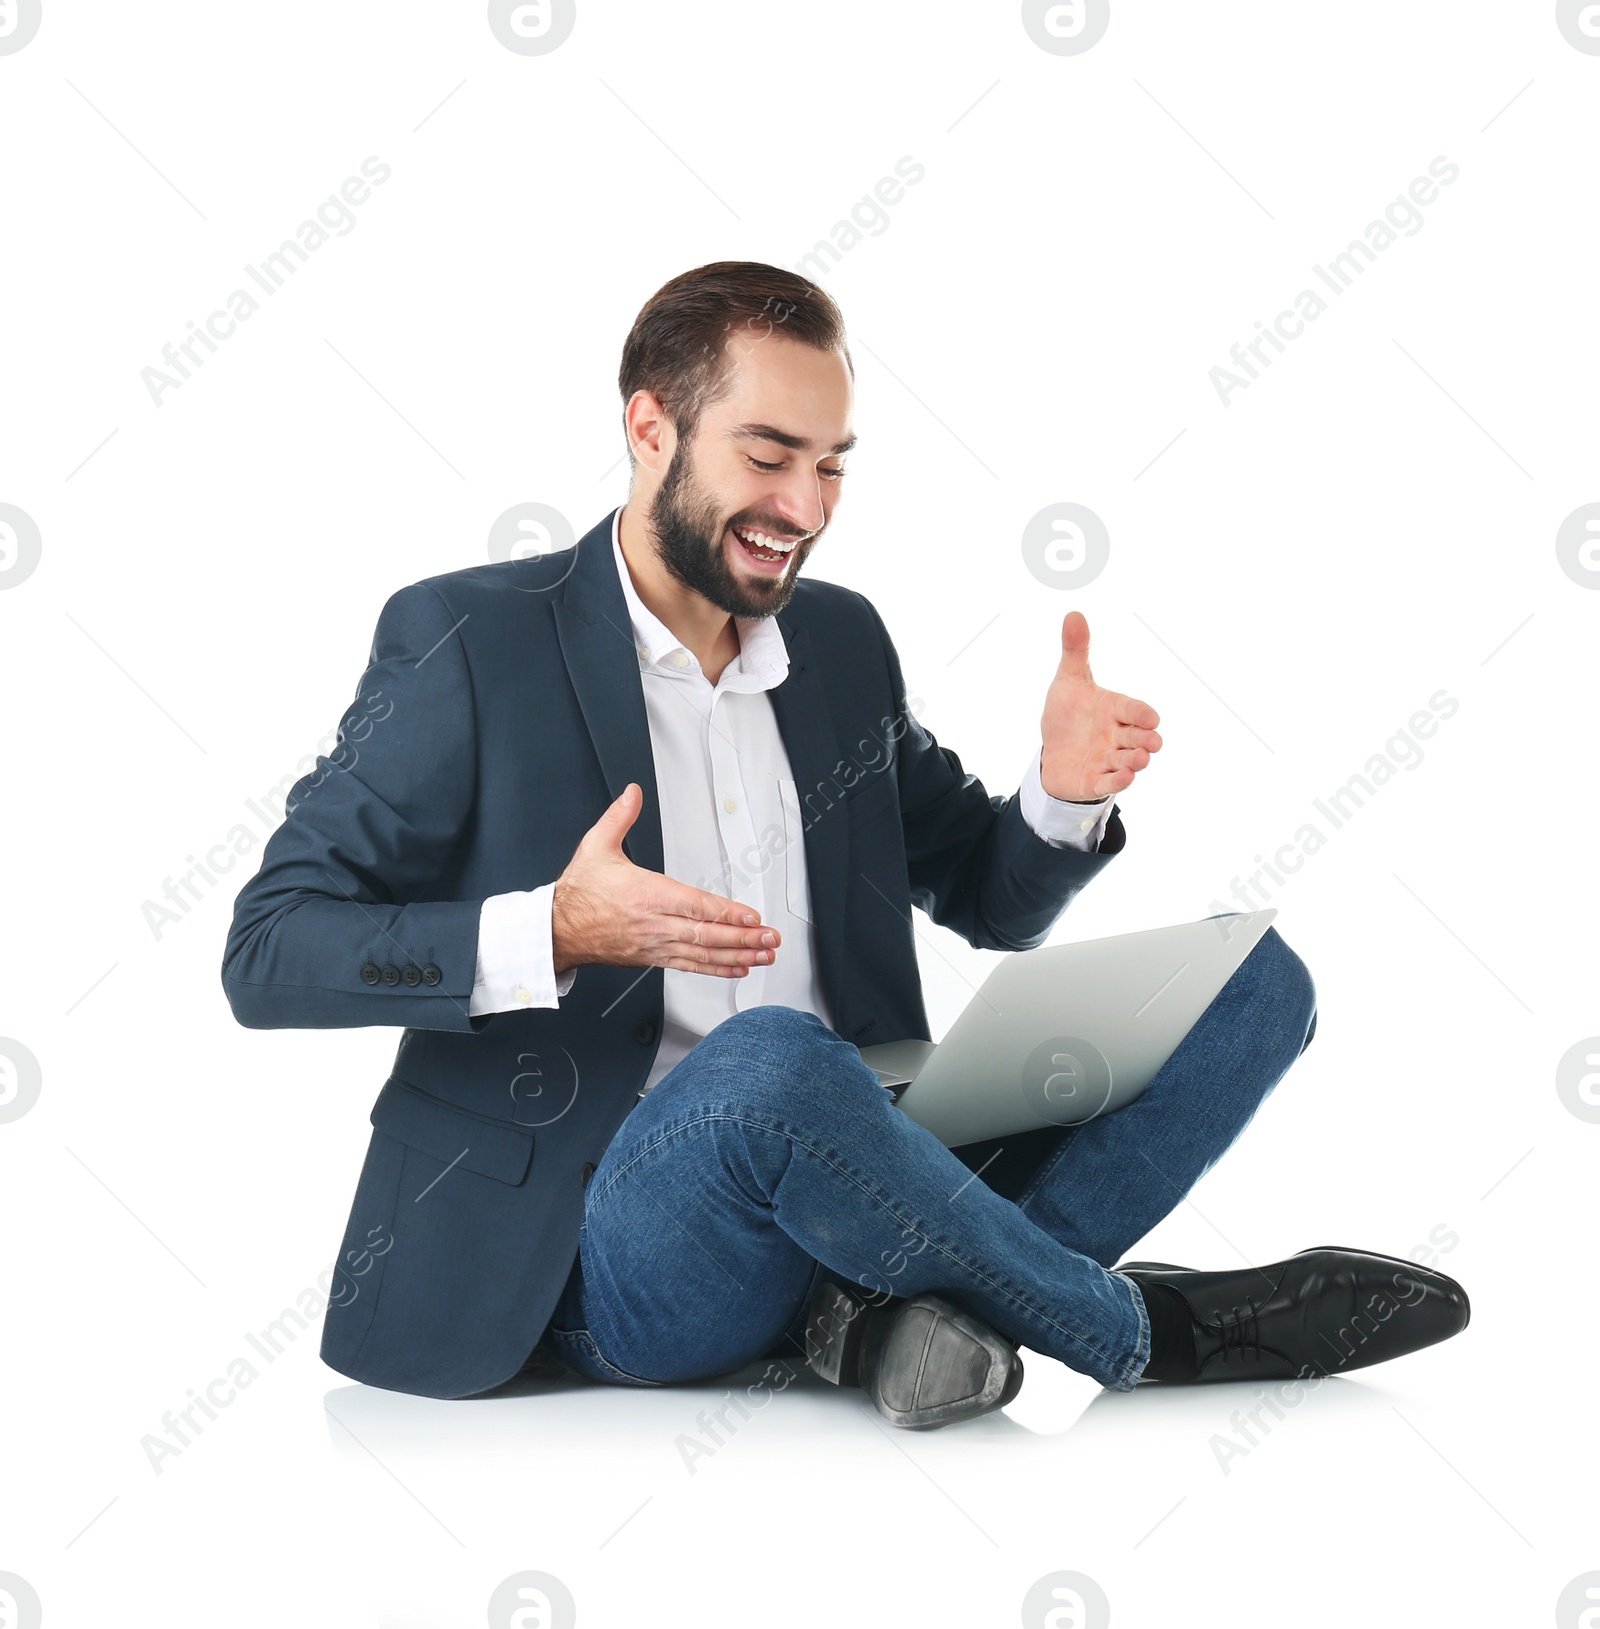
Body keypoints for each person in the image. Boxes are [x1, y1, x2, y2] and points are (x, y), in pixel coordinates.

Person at [222, 261, 1468, 1428]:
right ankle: (1148, 1332)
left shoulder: (839, 646)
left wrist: (1056, 797)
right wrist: (547, 931)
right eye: (768, 457)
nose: (804, 509)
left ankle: (872, 1320)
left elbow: (988, 894)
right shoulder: (467, 642)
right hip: (618, 1238)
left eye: (833, 467)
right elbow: (271, 953)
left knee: (1251, 986)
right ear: (649, 429)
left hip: (874, 1154)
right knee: (773, 1063)